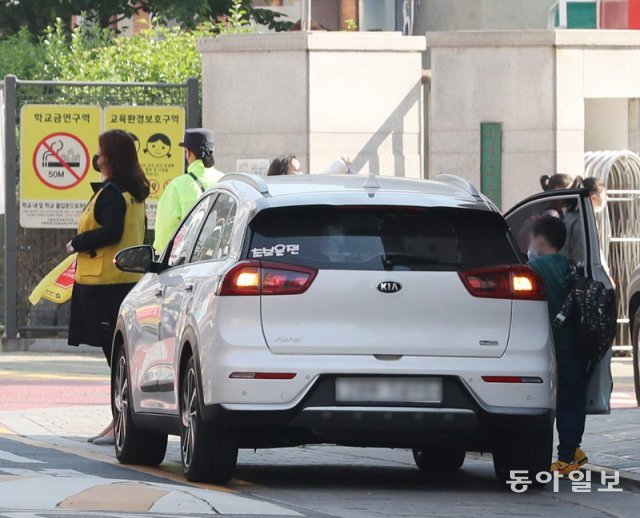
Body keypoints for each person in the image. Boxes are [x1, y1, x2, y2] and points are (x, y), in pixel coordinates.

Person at [66, 130, 150, 445]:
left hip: (105, 285)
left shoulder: (113, 194)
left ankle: (121, 421)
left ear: (111, 157)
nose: (96, 157)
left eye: (101, 152)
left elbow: (112, 232)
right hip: (124, 282)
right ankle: (119, 419)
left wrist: (77, 242)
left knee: (115, 358)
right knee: (118, 358)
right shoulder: (133, 192)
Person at [528, 216, 589, 475]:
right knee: (574, 398)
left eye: (532, 238)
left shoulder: (536, 268)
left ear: (540, 239)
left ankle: (565, 459)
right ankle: (574, 448)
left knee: (560, 401)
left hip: (552, 345)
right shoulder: (571, 266)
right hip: (575, 343)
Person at [153, 128, 224, 252]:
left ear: (188, 152)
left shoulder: (177, 186)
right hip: (220, 259)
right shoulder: (225, 180)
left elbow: (164, 233)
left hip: (188, 262)